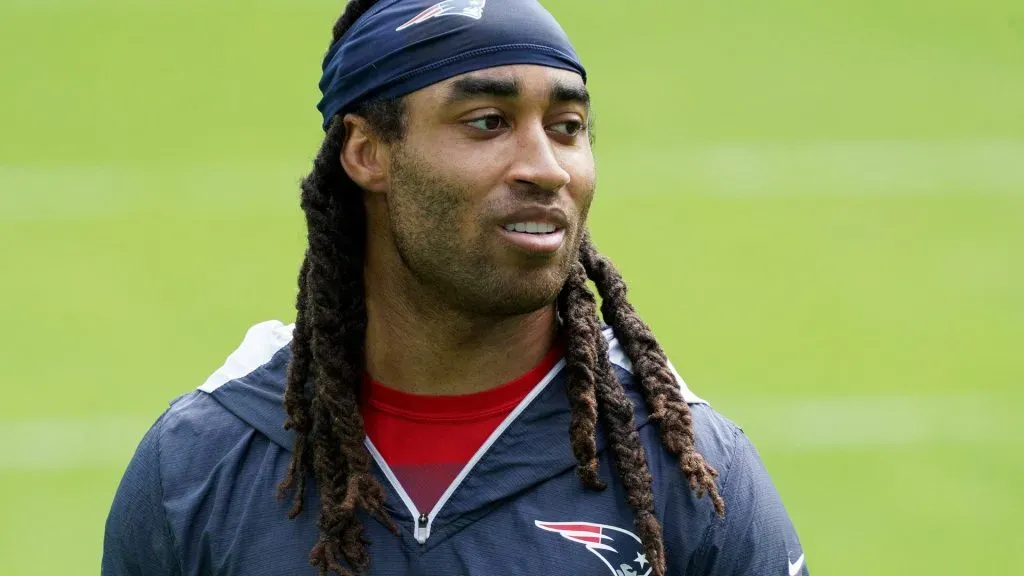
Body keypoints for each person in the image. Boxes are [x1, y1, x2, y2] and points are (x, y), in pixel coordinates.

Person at [102, 1, 808, 575]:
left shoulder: (690, 473)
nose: (546, 167)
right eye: (488, 123)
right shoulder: (200, 465)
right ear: (367, 151)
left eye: (568, 128)